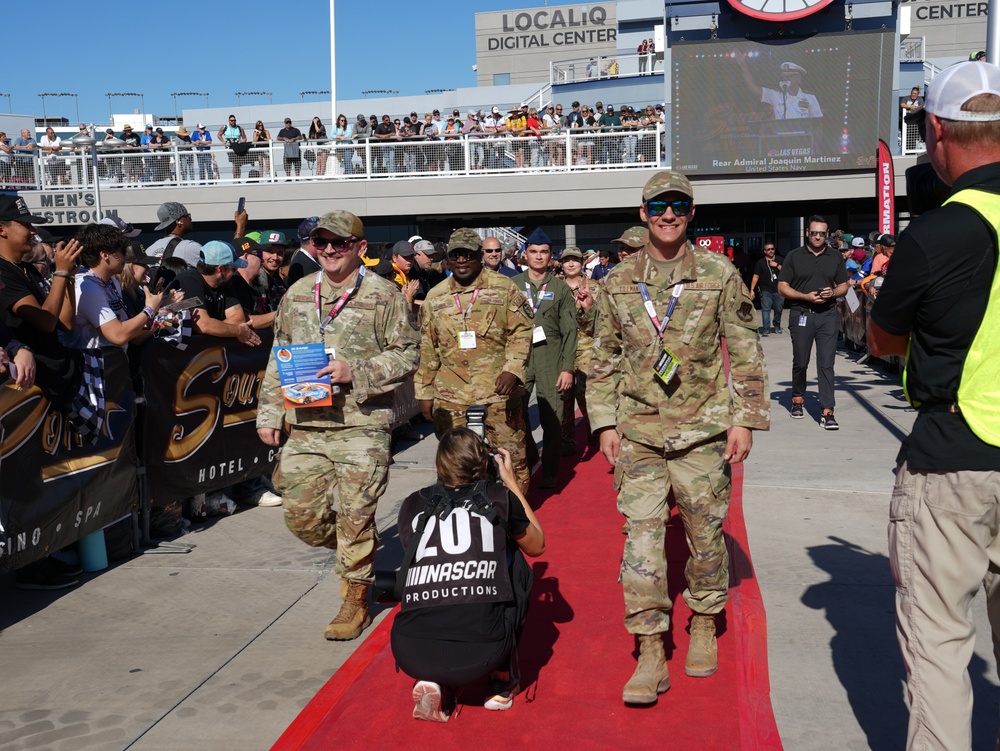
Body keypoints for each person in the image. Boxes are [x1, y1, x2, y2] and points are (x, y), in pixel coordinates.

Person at [588, 170, 768, 705]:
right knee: (642, 541)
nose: (669, 214)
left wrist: (746, 418)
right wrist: (602, 423)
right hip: (639, 431)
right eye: (659, 206)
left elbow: (746, 346)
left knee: (706, 536)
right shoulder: (617, 281)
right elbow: (602, 357)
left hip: (702, 430)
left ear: (692, 213)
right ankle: (649, 649)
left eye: (679, 206)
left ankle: (705, 623)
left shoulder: (719, 272)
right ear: (643, 213)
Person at [868, 60, 1000, 751]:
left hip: (955, 456)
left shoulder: (939, 231)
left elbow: (884, 339)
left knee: (941, 644)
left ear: (939, 130)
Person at [256, 210, 420, 641]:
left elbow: (408, 354)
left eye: (339, 243)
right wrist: (270, 412)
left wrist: (357, 371)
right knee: (302, 516)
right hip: (307, 422)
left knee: (355, 513)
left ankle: (354, 597)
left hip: (361, 424)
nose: (328, 250)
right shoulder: (296, 294)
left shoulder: (383, 295)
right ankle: (355, 549)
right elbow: (280, 353)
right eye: (321, 242)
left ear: (360, 249)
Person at [390, 427, 545, 722]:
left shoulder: (412, 504)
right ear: (486, 463)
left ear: (439, 466)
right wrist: (510, 482)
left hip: (409, 649)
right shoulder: (499, 498)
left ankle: (436, 679)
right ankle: (501, 679)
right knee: (518, 565)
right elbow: (538, 545)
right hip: (483, 651)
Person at [415, 228, 533, 492]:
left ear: (479, 256)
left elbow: (521, 332)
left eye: (467, 255)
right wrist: (424, 391)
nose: (461, 260)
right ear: (447, 259)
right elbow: (428, 349)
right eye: (455, 255)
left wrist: (512, 370)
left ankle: (516, 520)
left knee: (512, 460)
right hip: (452, 394)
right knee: (456, 465)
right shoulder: (436, 297)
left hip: (498, 392)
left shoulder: (504, 288)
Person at [512, 228, 577, 489]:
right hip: (519, 358)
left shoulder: (560, 288)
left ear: (551, 256)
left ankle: (549, 473)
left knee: (552, 419)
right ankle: (528, 458)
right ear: (525, 254)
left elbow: (570, 330)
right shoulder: (513, 284)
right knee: (516, 414)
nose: (538, 257)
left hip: (551, 355)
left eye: (544, 252)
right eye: (533, 252)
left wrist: (568, 368)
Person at [776, 215, 848, 428]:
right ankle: (797, 399)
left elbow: (844, 285)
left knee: (826, 363)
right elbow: (782, 287)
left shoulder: (835, 256)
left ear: (827, 235)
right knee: (801, 361)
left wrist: (833, 292)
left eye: (822, 233)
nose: (817, 237)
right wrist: (805, 296)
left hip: (827, 315)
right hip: (801, 313)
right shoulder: (794, 256)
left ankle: (827, 410)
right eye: (814, 233)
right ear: (807, 233)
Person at [68, 223, 175, 350]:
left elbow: (130, 333)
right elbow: (118, 336)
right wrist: (150, 309)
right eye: (122, 252)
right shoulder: (87, 286)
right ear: (105, 255)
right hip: (94, 366)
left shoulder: (112, 282)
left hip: (115, 364)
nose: (125, 257)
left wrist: (156, 319)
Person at [172, 241, 261, 346]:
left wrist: (215, 328)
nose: (235, 273)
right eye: (234, 269)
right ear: (221, 269)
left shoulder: (226, 283)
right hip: (181, 356)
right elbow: (202, 325)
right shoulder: (189, 279)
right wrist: (238, 331)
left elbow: (238, 319)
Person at [557, 246, 596, 454]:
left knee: (586, 395)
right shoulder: (554, 288)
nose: (571, 264)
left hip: (586, 349)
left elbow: (601, 321)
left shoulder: (595, 287)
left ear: (583, 263)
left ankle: (594, 431)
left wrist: (588, 307)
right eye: (566, 260)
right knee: (564, 397)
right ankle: (567, 440)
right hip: (562, 350)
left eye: (575, 260)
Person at [146, 202, 202, 267]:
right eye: (187, 216)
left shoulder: (149, 250)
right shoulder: (189, 247)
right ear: (179, 221)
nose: (190, 219)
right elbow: (214, 271)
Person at [749, 242, 784, 335]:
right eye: (768, 249)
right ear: (765, 251)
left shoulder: (780, 260)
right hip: (765, 289)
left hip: (778, 289)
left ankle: (777, 325)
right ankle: (766, 328)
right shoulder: (760, 263)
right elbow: (756, 276)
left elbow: (786, 272)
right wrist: (752, 290)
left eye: (772, 249)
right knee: (766, 309)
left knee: (778, 309)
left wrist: (777, 265)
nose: (771, 251)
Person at [218, 115, 248, 180]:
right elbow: (219, 135)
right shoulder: (225, 127)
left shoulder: (239, 128)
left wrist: (241, 141)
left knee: (238, 164)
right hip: (230, 147)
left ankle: (238, 179)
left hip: (237, 146)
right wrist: (223, 141)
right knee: (234, 163)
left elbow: (245, 138)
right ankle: (235, 179)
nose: (233, 122)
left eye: (234, 120)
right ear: (229, 121)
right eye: (231, 120)